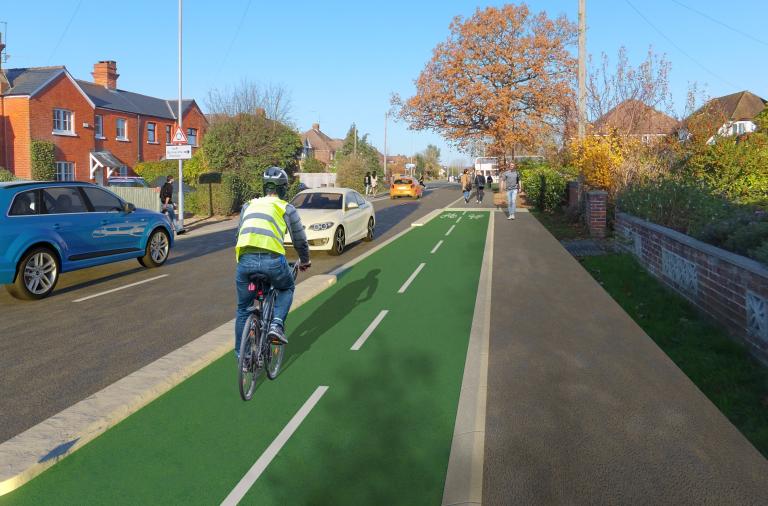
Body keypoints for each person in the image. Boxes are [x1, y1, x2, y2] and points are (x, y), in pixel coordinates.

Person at [235, 167, 311, 355]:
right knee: (287, 288)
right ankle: (276, 325)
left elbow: (238, 234)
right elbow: (300, 240)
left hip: (245, 261)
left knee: (243, 309)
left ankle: (242, 357)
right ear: (283, 188)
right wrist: (304, 260)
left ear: (264, 187)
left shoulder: (248, 205)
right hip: (272, 260)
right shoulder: (286, 208)